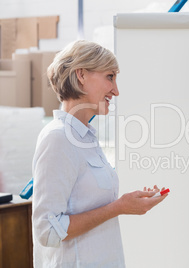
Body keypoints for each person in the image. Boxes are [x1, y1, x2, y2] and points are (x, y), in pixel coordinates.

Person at [32, 40, 168, 267]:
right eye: (110, 77)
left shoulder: (85, 139)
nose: (116, 90)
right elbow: (47, 231)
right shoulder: (57, 138)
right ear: (81, 75)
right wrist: (119, 207)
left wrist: (130, 203)